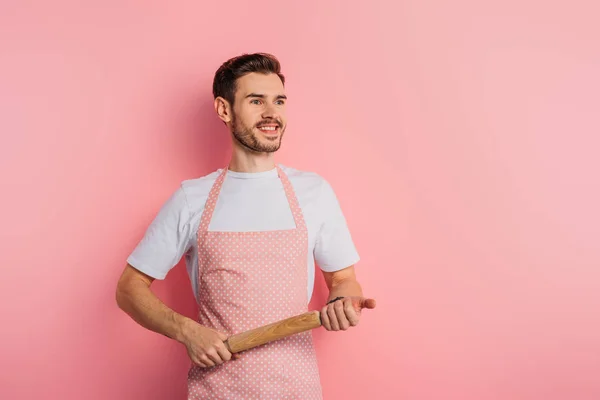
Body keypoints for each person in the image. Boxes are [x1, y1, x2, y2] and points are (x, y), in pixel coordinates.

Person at [116, 52, 376, 399]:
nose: (272, 113)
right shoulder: (192, 198)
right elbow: (129, 288)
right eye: (256, 101)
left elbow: (344, 280)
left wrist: (343, 301)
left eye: (279, 101)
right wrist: (189, 332)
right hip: (217, 390)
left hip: (296, 389)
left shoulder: (314, 192)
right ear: (224, 110)